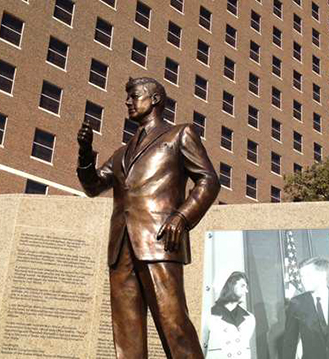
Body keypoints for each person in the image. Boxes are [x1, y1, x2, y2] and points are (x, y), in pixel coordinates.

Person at [76, 77, 220, 359]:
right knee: (126, 332)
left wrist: (182, 216)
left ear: (155, 99)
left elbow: (208, 180)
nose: (128, 102)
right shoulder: (120, 154)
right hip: (121, 246)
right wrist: (84, 153)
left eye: (134, 96)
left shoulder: (180, 134)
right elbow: (93, 187)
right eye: (127, 97)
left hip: (160, 239)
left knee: (174, 323)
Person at [282, 257, 329, 359]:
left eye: (307, 275)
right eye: (301, 276)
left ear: (323, 275)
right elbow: (289, 343)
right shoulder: (296, 303)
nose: (302, 280)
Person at [203, 271, 256, 359]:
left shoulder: (250, 319)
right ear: (230, 286)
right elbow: (201, 346)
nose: (246, 291)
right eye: (242, 286)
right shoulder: (209, 316)